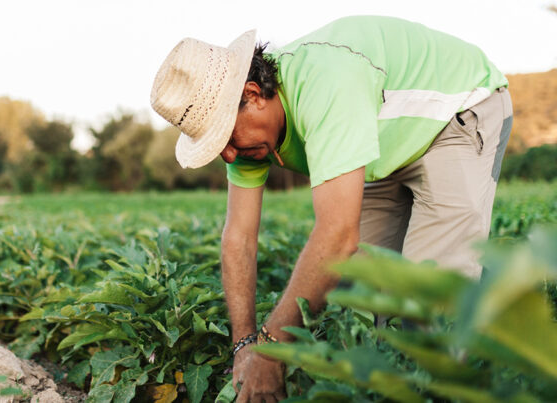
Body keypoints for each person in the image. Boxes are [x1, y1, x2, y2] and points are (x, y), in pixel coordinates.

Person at [151, 15, 512, 402]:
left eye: (224, 134)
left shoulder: (326, 85)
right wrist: (245, 346)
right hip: (380, 143)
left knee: (429, 301)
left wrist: (273, 350)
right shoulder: (247, 139)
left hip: (457, 111)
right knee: (361, 295)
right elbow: (239, 238)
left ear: (254, 94)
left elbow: (337, 236)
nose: (227, 153)